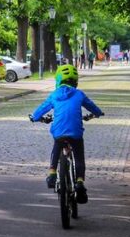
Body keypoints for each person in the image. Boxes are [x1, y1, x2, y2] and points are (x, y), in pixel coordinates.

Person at [28, 64, 104, 204]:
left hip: (59, 130)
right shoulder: (79, 94)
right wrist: (98, 113)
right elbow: (92, 106)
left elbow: (41, 110)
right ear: (75, 81)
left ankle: (52, 173)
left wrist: (35, 117)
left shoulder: (54, 95)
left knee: (57, 144)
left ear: (58, 80)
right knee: (79, 156)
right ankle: (80, 182)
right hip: (75, 132)